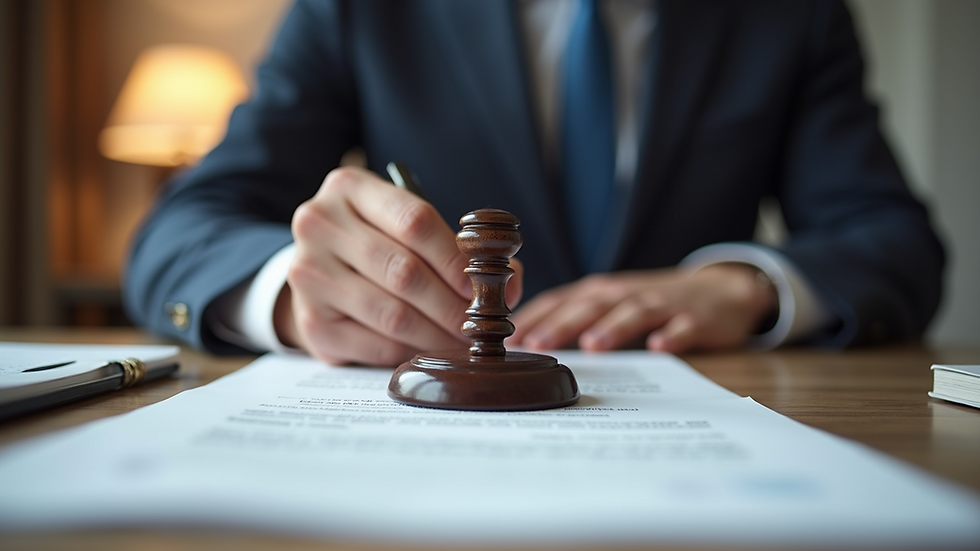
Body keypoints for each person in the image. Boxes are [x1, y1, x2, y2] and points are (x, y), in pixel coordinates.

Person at [124, 0, 944, 367]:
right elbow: (182, 228)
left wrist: (752, 285)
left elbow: (895, 240)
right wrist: (291, 295)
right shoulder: (357, 8)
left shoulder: (792, 14)